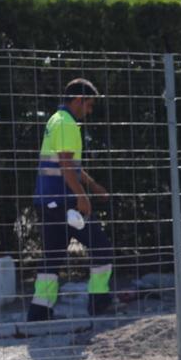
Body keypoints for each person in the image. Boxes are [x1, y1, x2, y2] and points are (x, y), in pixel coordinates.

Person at [27, 78, 114, 322]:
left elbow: (69, 165)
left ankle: (39, 310)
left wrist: (93, 186)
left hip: (47, 201)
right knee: (101, 246)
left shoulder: (56, 119)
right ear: (78, 100)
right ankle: (100, 301)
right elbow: (66, 166)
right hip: (64, 202)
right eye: (89, 105)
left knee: (52, 256)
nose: (90, 110)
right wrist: (82, 197)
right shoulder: (67, 125)